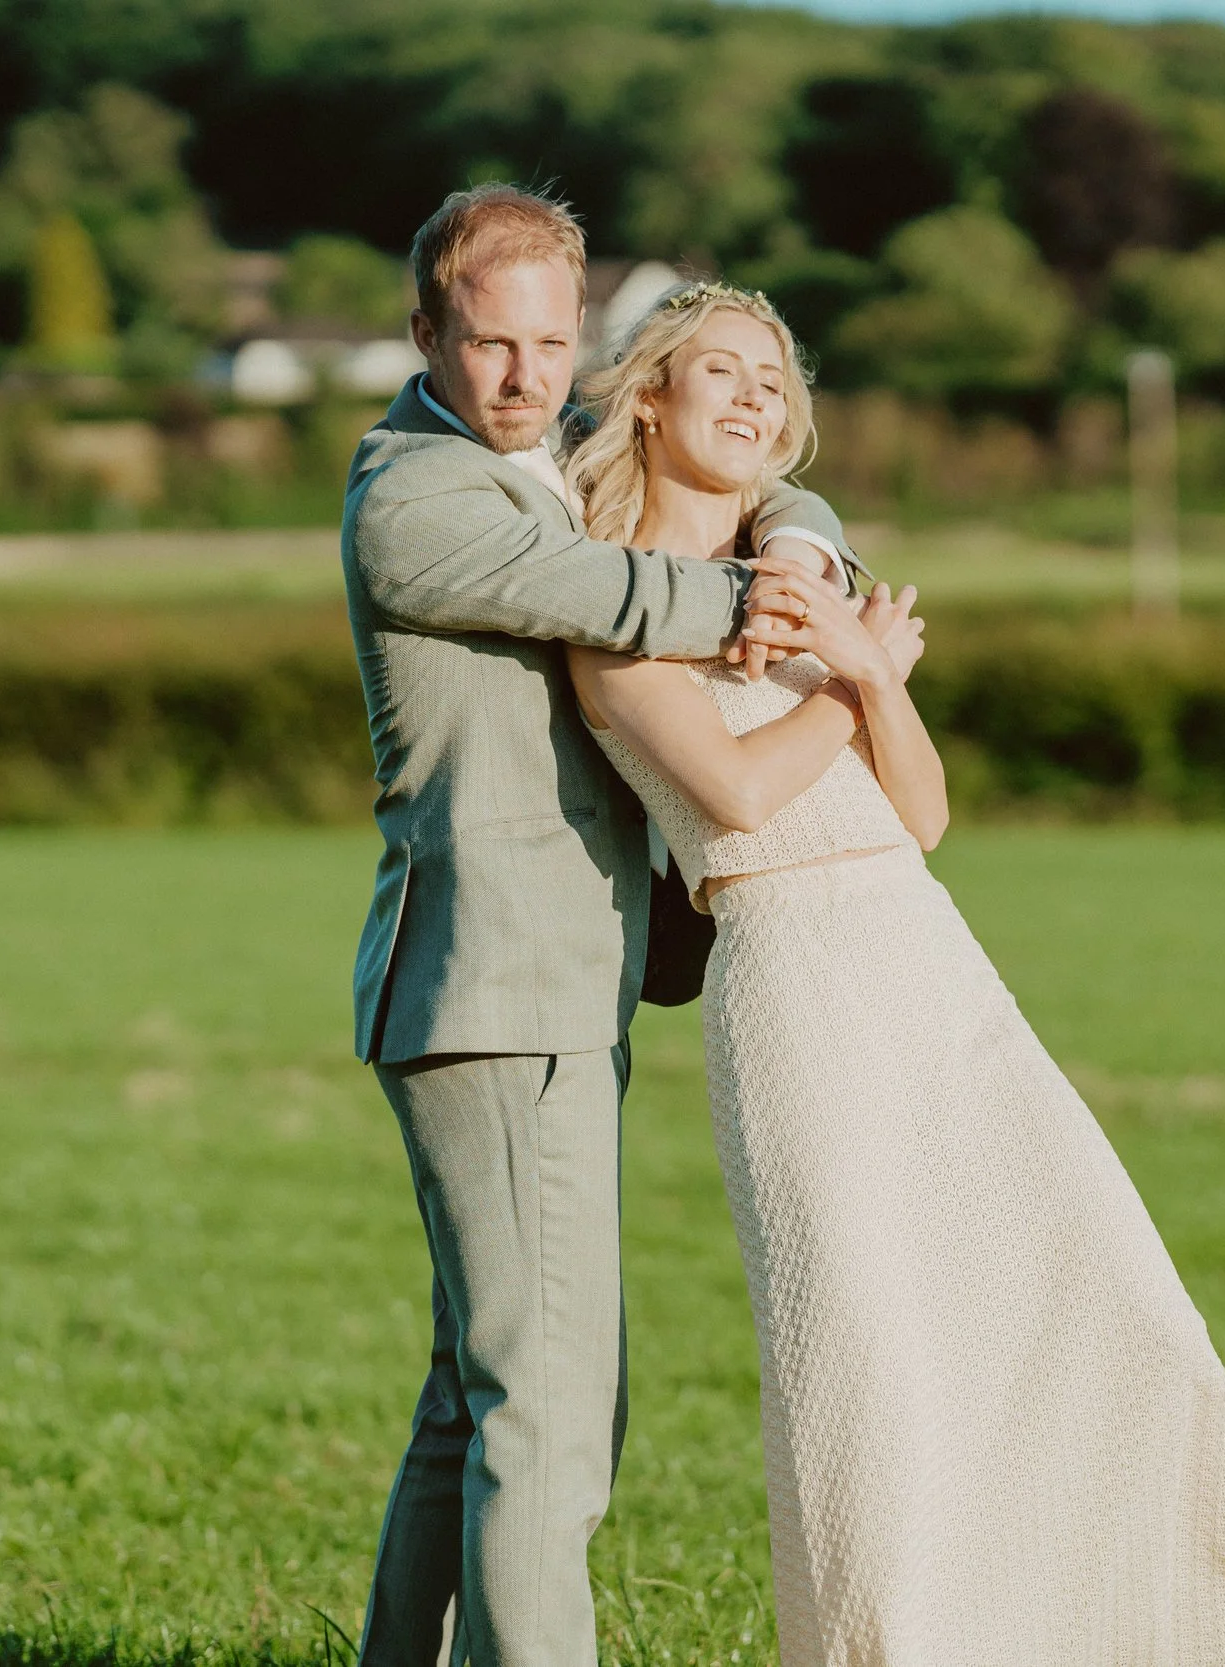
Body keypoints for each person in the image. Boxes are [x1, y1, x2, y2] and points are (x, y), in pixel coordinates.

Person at [564, 283, 1225, 1667]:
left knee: (1104, 1293)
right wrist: (853, 675)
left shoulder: (806, 580)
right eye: (723, 370)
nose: (758, 396)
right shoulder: (616, 611)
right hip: (795, 985)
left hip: (928, 959)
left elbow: (925, 812)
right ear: (647, 393)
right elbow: (740, 797)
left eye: (776, 376)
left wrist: (867, 675)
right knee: (872, 1359)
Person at [340, 186, 872, 1667]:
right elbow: (623, 590)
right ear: (425, 331)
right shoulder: (417, 499)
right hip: (494, 988)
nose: (523, 377)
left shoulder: (534, 461)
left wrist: (809, 554)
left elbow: (758, 484)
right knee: (553, 1413)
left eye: (550, 346)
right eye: (490, 343)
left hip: (541, 988)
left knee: (482, 1393)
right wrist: (779, 617)